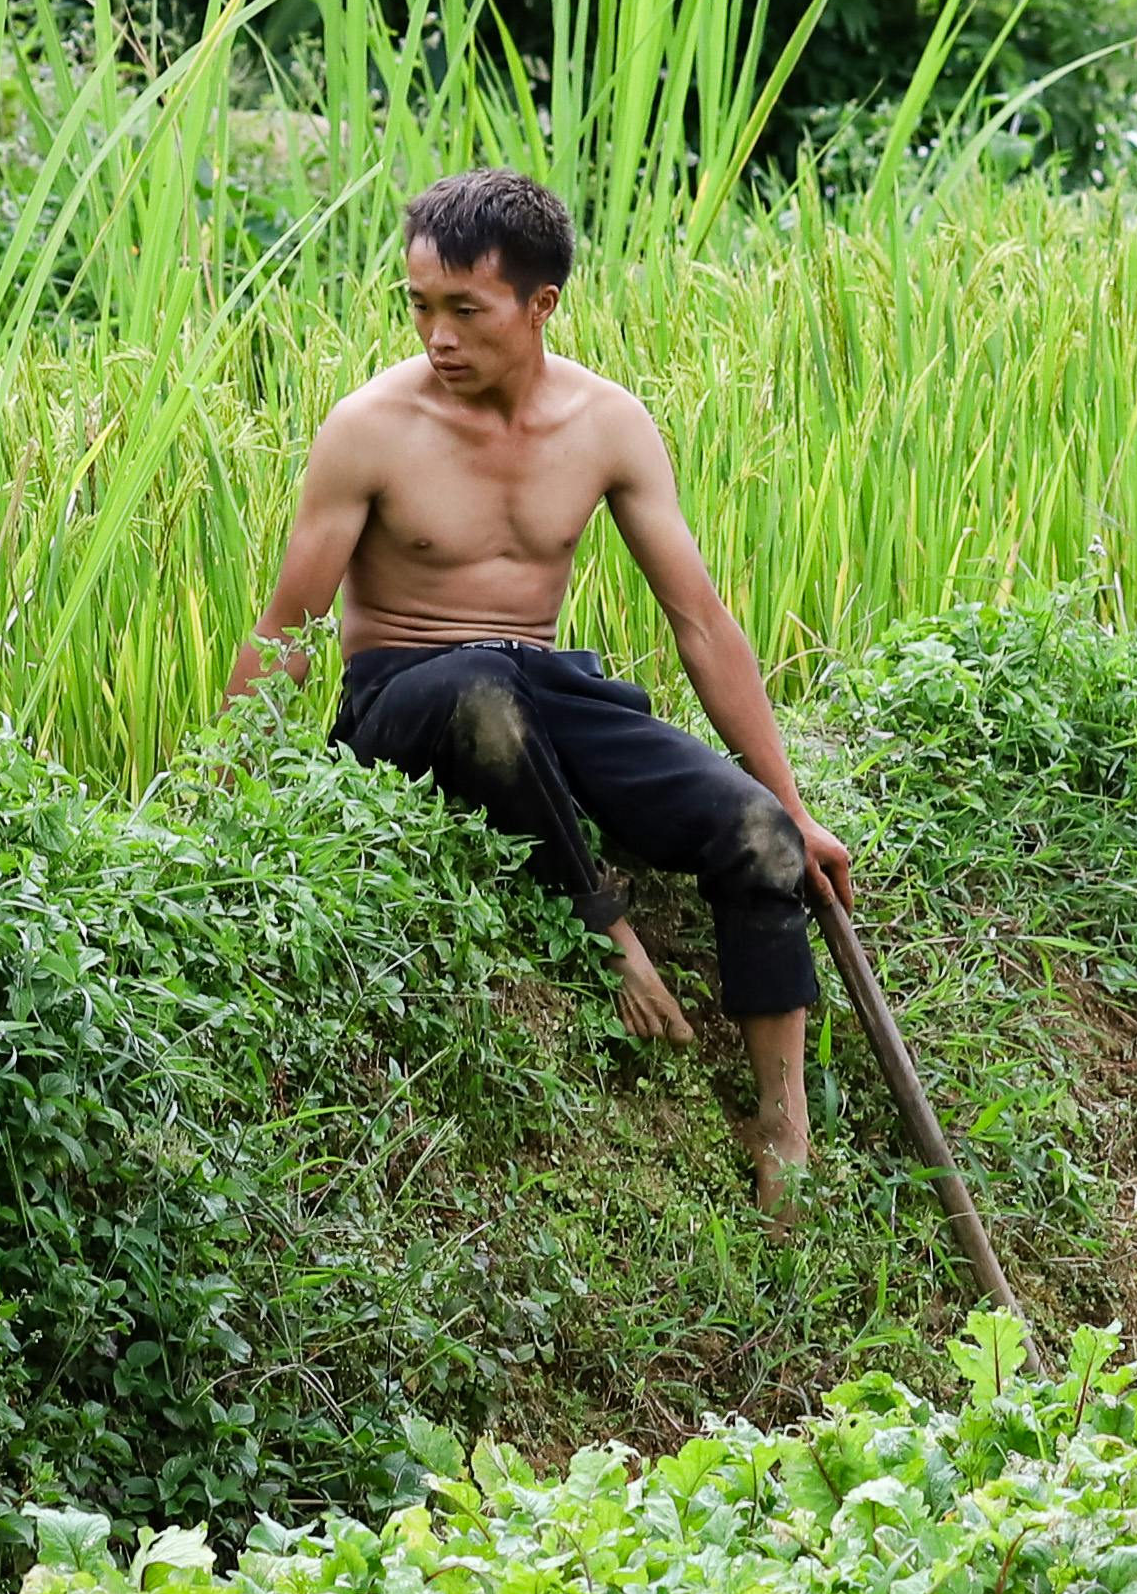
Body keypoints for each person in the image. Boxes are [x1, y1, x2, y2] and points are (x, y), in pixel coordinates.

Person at [225, 167, 855, 1213]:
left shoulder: (606, 425)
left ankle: (782, 1128)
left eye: (465, 310)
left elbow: (698, 620)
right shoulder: (371, 428)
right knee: (477, 683)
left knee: (757, 840)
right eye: (420, 307)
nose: (438, 337)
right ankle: (608, 935)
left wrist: (791, 803)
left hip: (536, 684)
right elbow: (289, 625)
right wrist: (227, 797)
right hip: (405, 700)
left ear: (540, 305)